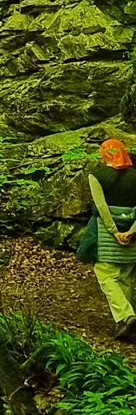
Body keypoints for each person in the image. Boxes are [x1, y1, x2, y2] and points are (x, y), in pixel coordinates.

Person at [85, 137, 136, 341]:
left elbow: (102, 207)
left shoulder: (96, 176)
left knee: (105, 274)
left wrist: (114, 231)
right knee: (125, 276)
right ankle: (127, 326)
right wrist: (132, 231)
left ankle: (127, 316)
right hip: (133, 233)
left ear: (104, 154)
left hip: (108, 233)